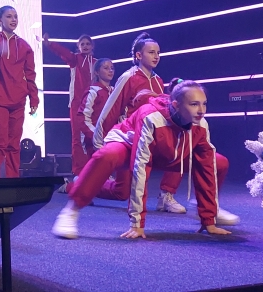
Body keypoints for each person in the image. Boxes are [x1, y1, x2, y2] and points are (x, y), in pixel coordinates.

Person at [52, 81, 232, 240]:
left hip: (167, 152)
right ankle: (71, 210)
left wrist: (209, 219)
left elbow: (207, 165)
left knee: (218, 162)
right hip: (130, 146)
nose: (201, 110)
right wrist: (137, 223)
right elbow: (140, 166)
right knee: (106, 156)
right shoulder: (151, 117)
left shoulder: (201, 124)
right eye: (194, 104)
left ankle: (203, 208)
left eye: (204, 104)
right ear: (176, 105)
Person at [92, 32, 185, 214]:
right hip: (131, 140)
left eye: (158, 52)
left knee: (181, 146)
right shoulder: (129, 77)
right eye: (151, 52)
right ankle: (83, 185)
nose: (156, 56)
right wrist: (99, 142)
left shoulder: (158, 81)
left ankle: (166, 195)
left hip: (153, 137)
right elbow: (112, 109)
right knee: (122, 192)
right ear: (139, 55)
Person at [0, 6, 39, 178]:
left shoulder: (24, 46)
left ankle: (13, 181)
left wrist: (34, 98)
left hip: (18, 100)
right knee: (0, 143)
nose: (13, 19)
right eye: (9, 16)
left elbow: (30, 74)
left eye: (15, 16)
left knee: (14, 145)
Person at [43, 33, 96, 175]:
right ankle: (79, 170)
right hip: (77, 103)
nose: (85, 46)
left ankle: (94, 169)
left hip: (94, 104)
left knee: (93, 136)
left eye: (88, 44)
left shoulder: (97, 63)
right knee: (77, 137)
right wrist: (50, 44)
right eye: (82, 44)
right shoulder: (75, 60)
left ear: (92, 46)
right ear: (78, 47)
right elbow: (63, 52)